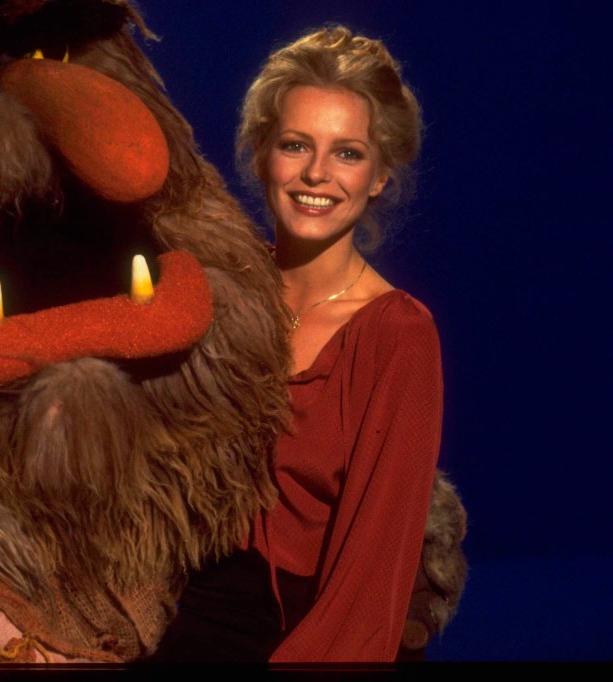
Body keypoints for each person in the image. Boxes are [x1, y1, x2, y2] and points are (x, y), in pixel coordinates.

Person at [150, 26, 442, 662]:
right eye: (295, 145)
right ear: (261, 155)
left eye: (347, 153)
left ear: (380, 177)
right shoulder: (215, 292)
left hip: (307, 631)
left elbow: (372, 579)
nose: (316, 173)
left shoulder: (398, 335)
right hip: (180, 613)